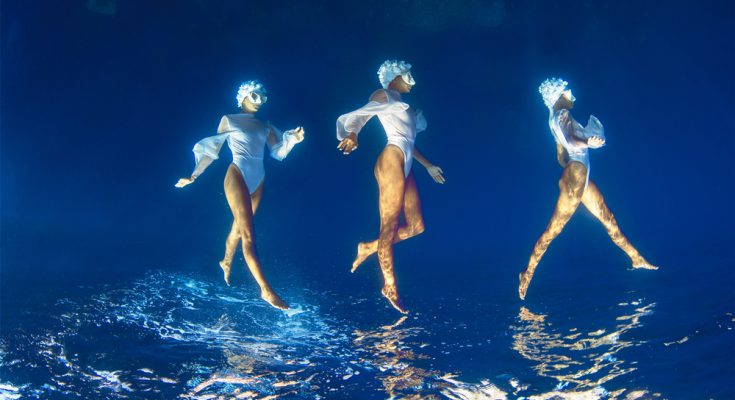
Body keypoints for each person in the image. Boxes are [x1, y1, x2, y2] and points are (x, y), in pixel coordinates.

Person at [518, 78, 657, 300]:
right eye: (567, 91)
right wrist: (587, 144)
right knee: (553, 230)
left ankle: (636, 258)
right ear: (558, 95)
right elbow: (573, 141)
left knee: (608, 218)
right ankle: (527, 273)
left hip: (578, 174)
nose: (571, 94)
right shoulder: (562, 114)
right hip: (576, 177)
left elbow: (561, 157)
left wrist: (576, 156)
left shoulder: (555, 120)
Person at [176, 80, 305, 310]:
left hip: (259, 179)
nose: (259, 101)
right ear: (243, 97)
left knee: (237, 229)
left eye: (262, 97)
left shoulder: (265, 125)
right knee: (248, 234)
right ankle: (266, 290)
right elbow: (211, 149)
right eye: (254, 96)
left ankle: (225, 261)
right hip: (236, 175)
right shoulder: (230, 119)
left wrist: (293, 140)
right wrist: (193, 176)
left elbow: (278, 153)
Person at [336, 60, 445, 313]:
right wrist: (352, 134)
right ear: (395, 76)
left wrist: (428, 166)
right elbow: (364, 113)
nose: (412, 80)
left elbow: (409, 141)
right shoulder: (384, 94)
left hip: (405, 160)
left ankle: (368, 247)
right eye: (408, 75)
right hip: (391, 159)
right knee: (389, 226)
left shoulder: (403, 106)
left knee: (417, 226)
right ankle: (389, 286)